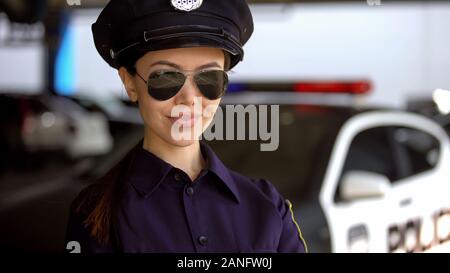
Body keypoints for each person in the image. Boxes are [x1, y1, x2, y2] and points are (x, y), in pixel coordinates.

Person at [65, 0, 307, 253]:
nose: (189, 98)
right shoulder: (95, 212)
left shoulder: (267, 206)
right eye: (166, 77)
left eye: (209, 78)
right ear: (130, 83)